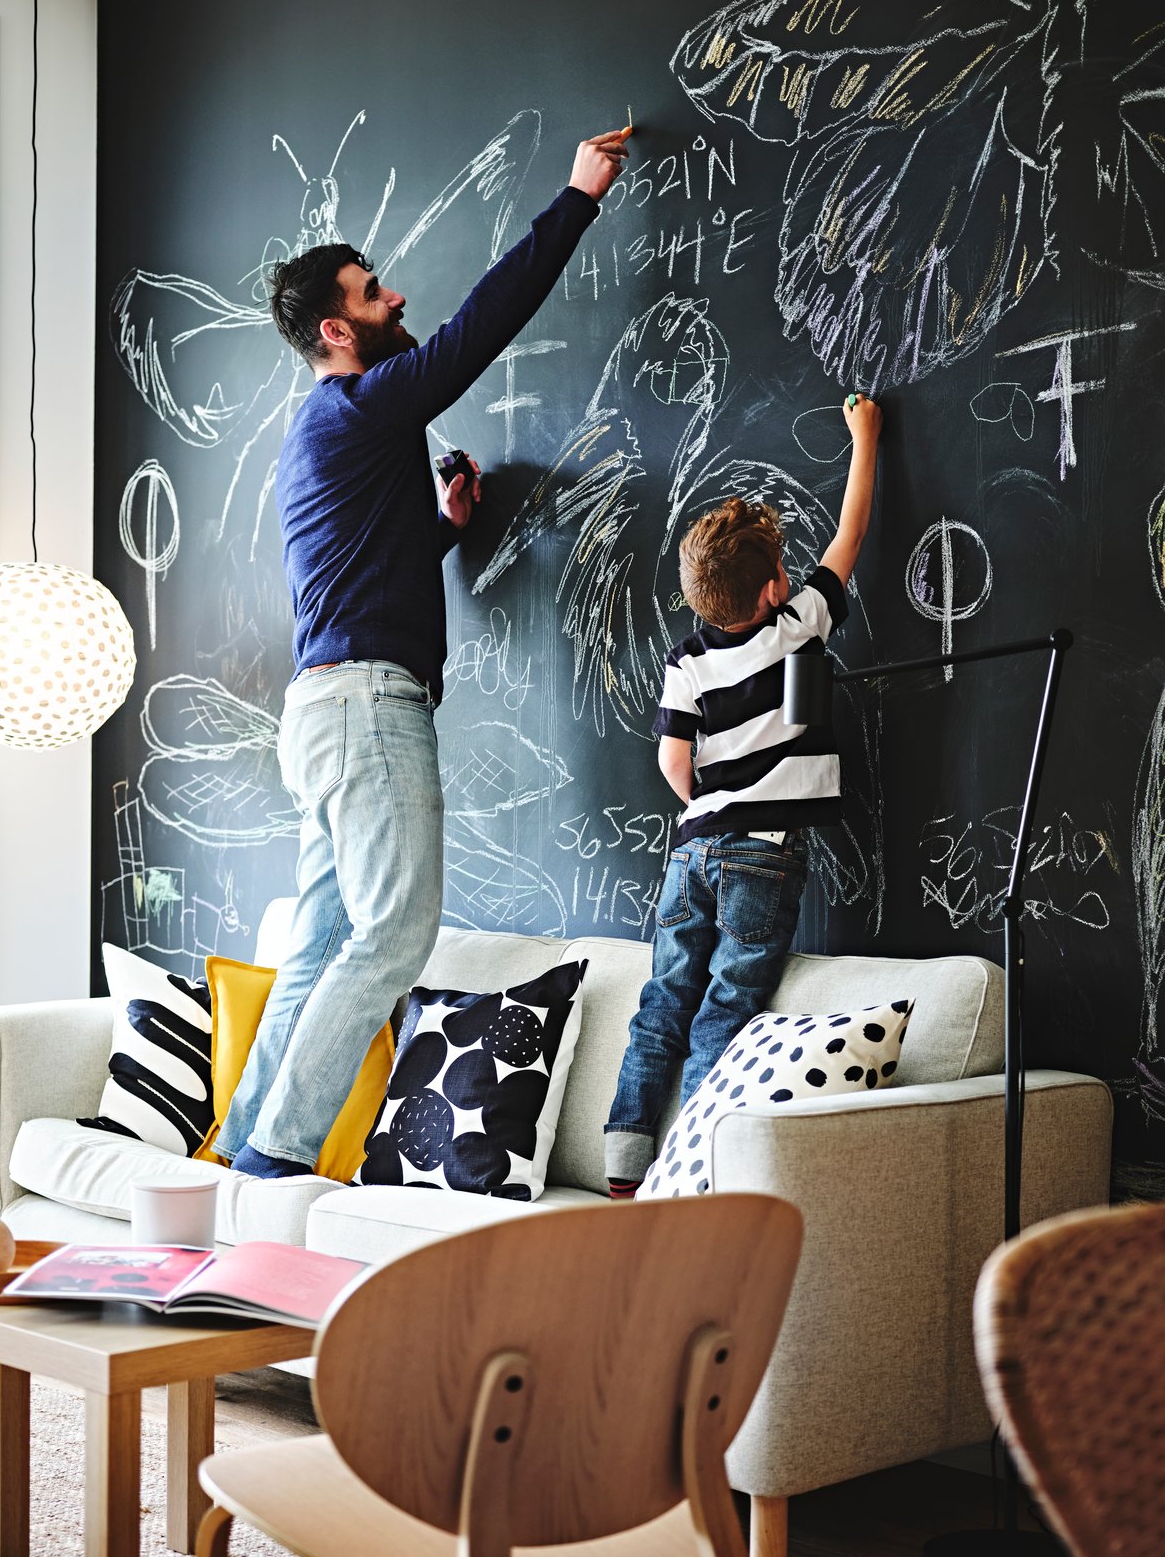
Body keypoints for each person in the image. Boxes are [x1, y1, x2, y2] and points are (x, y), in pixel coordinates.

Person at [212, 126, 633, 1177]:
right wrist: (575, 199)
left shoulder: (324, 435)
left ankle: (242, 1160)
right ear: (334, 330)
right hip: (364, 710)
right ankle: (278, 1153)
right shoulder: (356, 408)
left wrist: (443, 524)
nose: (394, 300)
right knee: (396, 937)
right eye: (372, 293)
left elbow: (361, 561)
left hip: (323, 714)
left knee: (317, 947)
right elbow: (474, 337)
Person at [603, 393, 883, 1197]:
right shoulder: (796, 625)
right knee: (727, 1004)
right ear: (771, 590)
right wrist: (865, 436)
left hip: (692, 847)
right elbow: (851, 535)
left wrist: (708, 798)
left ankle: (625, 1162)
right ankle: (697, 1170)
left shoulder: (686, 660)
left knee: (664, 1000)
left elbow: (671, 762)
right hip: (764, 854)